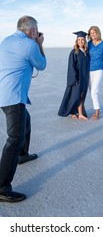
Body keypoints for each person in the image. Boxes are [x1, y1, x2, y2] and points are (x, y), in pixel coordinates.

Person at [0, 15, 46, 202]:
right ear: (33, 31)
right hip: (13, 97)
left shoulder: (7, 40)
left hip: (4, 93)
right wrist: (39, 43)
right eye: (37, 31)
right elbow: (41, 65)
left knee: (25, 121)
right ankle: (2, 187)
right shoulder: (30, 44)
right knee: (15, 138)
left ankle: (23, 154)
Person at [58, 31, 90, 120]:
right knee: (76, 95)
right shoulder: (74, 52)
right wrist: (74, 78)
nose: (80, 41)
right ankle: (76, 113)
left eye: (82, 40)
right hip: (77, 78)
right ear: (76, 41)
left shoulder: (86, 52)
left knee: (82, 95)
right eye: (79, 40)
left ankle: (75, 112)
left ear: (85, 41)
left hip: (85, 77)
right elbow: (71, 66)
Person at [88, 26, 103, 120]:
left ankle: (97, 111)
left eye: (94, 32)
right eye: (91, 33)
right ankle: (96, 109)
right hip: (88, 70)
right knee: (92, 91)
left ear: (98, 33)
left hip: (98, 70)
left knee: (94, 91)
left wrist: (100, 62)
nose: (92, 34)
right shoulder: (88, 44)